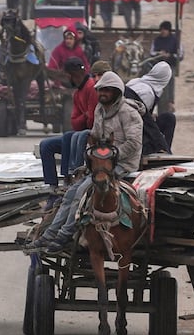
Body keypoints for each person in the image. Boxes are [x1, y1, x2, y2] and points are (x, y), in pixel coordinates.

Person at [24, 72, 144, 253]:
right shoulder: (100, 110)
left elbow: (134, 144)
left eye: (107, 90)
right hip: (101, 163)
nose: (102, 93)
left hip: (122, 164)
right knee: (70, 192)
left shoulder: (129, 113)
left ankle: (64, 235)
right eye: (100, 90)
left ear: (116, 92)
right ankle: (49, 235)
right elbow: (96, 137)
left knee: (81, 192)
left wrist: (111, 155)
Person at [36, 57, 98, 188]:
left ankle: (68, 178)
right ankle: (52, 186)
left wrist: (84, 117)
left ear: (71, 75)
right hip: (79, 134)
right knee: (46, 145)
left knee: (69, 136)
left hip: (93, 135)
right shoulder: (77, 93)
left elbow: (92, 120)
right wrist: (84, 116)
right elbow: (75, 122)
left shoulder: (91, 87)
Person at [125, 61, 176, 155]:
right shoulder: (148, 93)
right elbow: (136, 117)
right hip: (132, 130)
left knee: (167, 117)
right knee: (170, 119)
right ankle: (164, 151)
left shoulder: (136, 81)